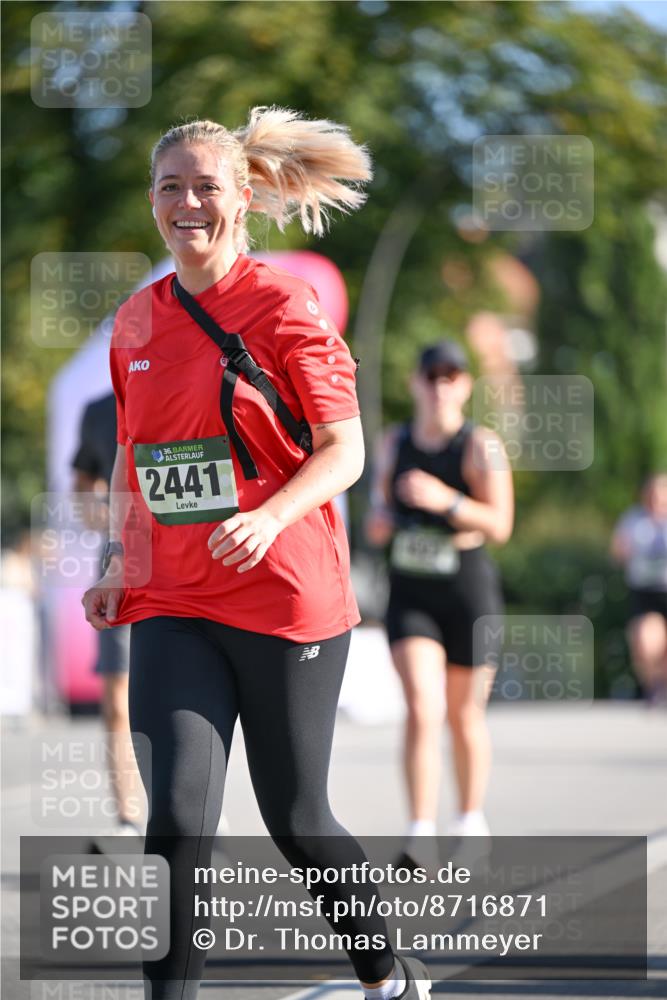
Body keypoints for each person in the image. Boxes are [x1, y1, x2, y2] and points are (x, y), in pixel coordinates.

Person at [82, 107, 430, 1000]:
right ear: (152, 203)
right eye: (169, 187)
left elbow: (343, 451)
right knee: (176, 819)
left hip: (283, 596)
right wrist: (123, 560)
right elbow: (133, 455)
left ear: (242, 196)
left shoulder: (283, 305)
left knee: (295, 816)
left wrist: (271, 516)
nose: (186, 203)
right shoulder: (134, 322)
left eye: (205, 186)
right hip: (175, 602)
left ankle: (386, 973)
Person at [366, 341, 513, 866]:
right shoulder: (395, 441)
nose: (440, 386)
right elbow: (376, 514)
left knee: (463, 715)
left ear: (466, 385)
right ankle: (419, 830)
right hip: (412, 589)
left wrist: (445, 500)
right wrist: (380, 522)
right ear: (415, 383)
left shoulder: (481, 445)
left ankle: (470, 819)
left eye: (451, 376)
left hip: (467, 589)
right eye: (431, 375)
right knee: (422, 710)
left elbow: (501, 524)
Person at [72, 393, 141, 835]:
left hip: (190, 561)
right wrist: (98, 512)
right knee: (118, 698)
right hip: (120, 564)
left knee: (189, 690)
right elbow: (84, 480)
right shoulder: (97, 410)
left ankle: (197, 805)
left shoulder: (187, 377)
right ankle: (128, 819)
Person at [611, 472, 667, 705]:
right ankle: (654, 686)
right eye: (652, 493)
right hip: (644, 590)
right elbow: (617, 553)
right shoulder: (633, 520)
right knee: (645, 641)